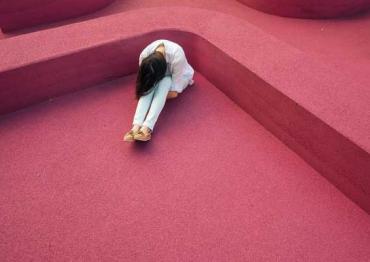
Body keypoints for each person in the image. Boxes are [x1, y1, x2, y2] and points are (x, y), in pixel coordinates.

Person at [123, 39, 194, 142]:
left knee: (165, 82)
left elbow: (174, 93)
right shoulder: (144, 56)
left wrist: (155, 96)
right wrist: (149, 91)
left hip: (180, 78)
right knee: (148, 89)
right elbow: (145, 83)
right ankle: (135, 127)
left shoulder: (177, 56)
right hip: (159, 76)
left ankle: (147, 127)